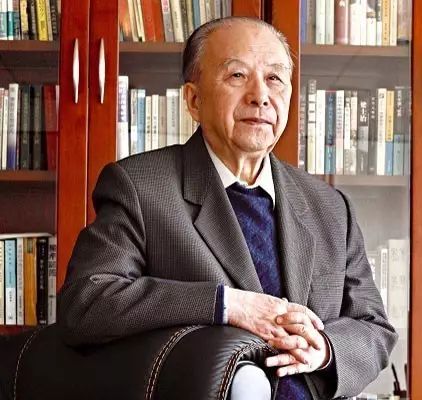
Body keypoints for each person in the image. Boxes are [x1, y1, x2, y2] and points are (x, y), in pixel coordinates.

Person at [57, 16, 397, 400]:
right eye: (237, 75)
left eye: (274, 78)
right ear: (194, 100)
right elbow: (86, 304)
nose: (260, 96)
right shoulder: (140, 187)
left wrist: (324, 349)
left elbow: (374, 327)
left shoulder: (330, 207)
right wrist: (226, 305)